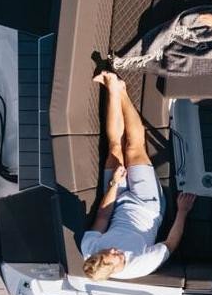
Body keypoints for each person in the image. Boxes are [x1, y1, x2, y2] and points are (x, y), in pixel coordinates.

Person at [79, 71, 195, 280]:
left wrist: (114, 183)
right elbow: (170, 243)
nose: (113, 249)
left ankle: (113, 88)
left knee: (114, 149)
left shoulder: (90, 249)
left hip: (118, 202)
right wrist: (182, 211)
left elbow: (103, 216)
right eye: (114, 255)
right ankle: (121, 91)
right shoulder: (141, 264)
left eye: (107, 250)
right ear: (114, 269)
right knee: (133, 149)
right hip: (148, 207)